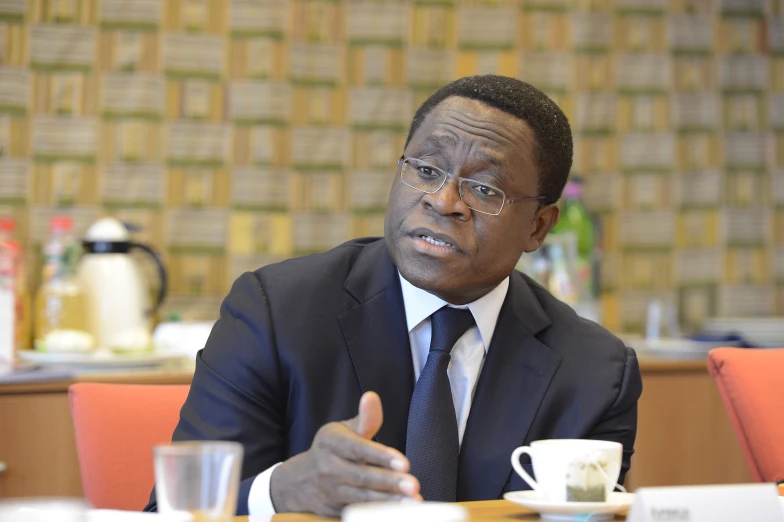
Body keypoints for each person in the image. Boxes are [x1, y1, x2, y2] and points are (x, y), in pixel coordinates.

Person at [145, 75, 642, 516]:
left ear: (538, 226)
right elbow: (173, 512)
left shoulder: (595, 374)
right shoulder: (275, 313)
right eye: (426, 169)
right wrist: (284, 489)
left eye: (485, 190)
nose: (444, 201)